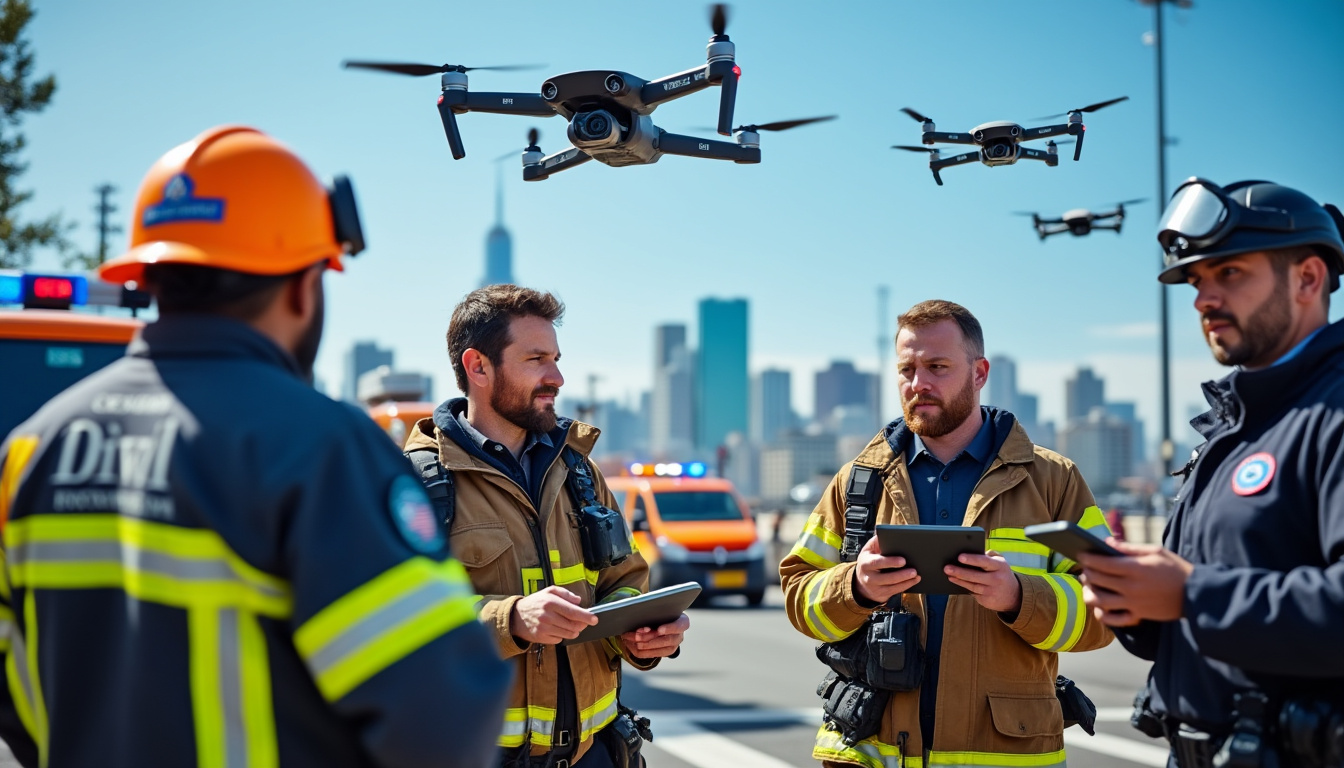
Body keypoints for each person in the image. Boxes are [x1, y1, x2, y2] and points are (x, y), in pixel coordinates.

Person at [0, 126, 512, 768]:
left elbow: (17, 693)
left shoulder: (30, 449)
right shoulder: (319, 448)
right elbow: (441, 718)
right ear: (303, 286)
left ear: (152, 276)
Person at [1078, 179, 1344, 768]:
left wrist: (1192, 593)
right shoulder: (1231, 428)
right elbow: (1199, 610)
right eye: (1198, 281)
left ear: (1308, 279)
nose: (1202, 299)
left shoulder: (1334, 412)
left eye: (1230, 274)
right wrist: (1137, 602)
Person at [780, 299, 1113, 768]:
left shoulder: (1054, 481)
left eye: (937, 366)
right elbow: (799, 595)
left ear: (979, 373)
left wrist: (1019, 595)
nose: (919, 384)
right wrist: (855, 587)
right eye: (907, 369)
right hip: (871, 754)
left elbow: (1106, 609)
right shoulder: (856, 481)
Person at [402, 284, 690, 768]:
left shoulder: (578, 471)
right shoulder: (417, 484)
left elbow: (624, 581)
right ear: (478, 367)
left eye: (556, 358)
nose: (556, 377)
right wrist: (509, 619)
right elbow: (397, 618)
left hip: (595, 753)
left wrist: (641, 634)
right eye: (536, 359)